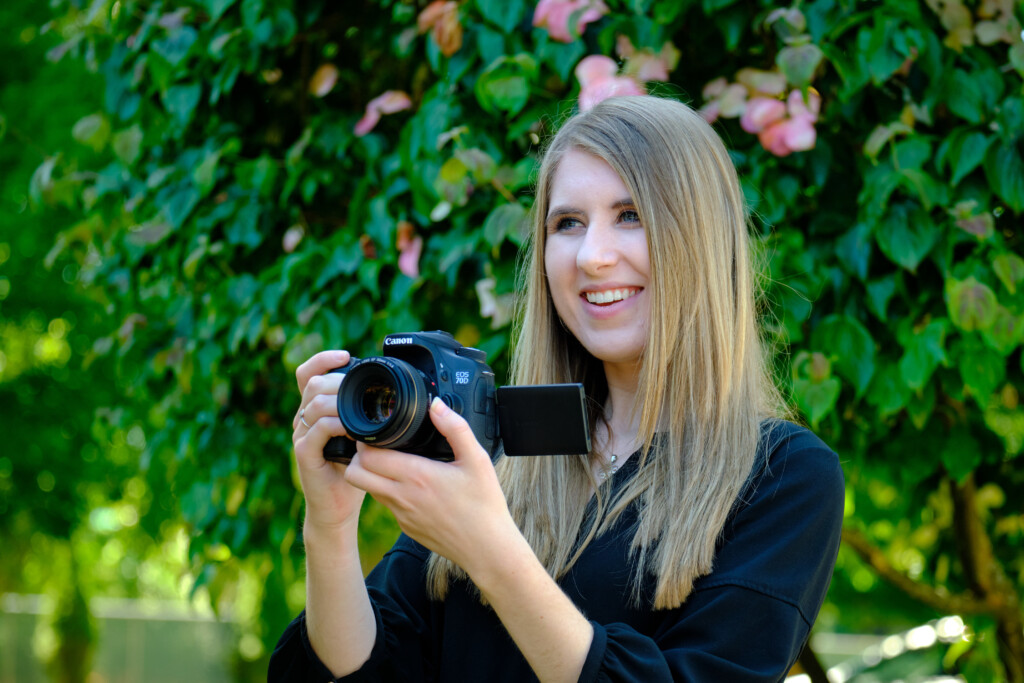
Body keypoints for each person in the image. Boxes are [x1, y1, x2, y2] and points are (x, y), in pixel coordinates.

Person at [269, 95, 844, 682]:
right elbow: (367, 671)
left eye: (631, 215)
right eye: (568, 223)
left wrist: (490, 552)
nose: (592, 257)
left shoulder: (782, 477)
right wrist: (331, 526)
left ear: (699, 238)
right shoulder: (487, 448)